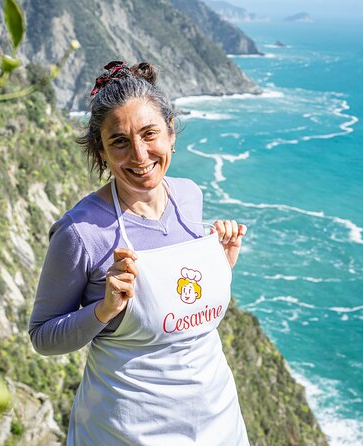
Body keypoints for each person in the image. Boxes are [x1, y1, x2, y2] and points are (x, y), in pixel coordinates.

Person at [29, 61, 250, 445]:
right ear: (101, 153)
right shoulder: (81, 232)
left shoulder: (189, 198)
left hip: (218, 423)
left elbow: (186, 311)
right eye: (119, 142)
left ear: (170, 134)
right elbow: (43, 337)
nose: (140, 154)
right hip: (125, 432)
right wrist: (104, 310)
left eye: (150, 134)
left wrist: (222, 266)